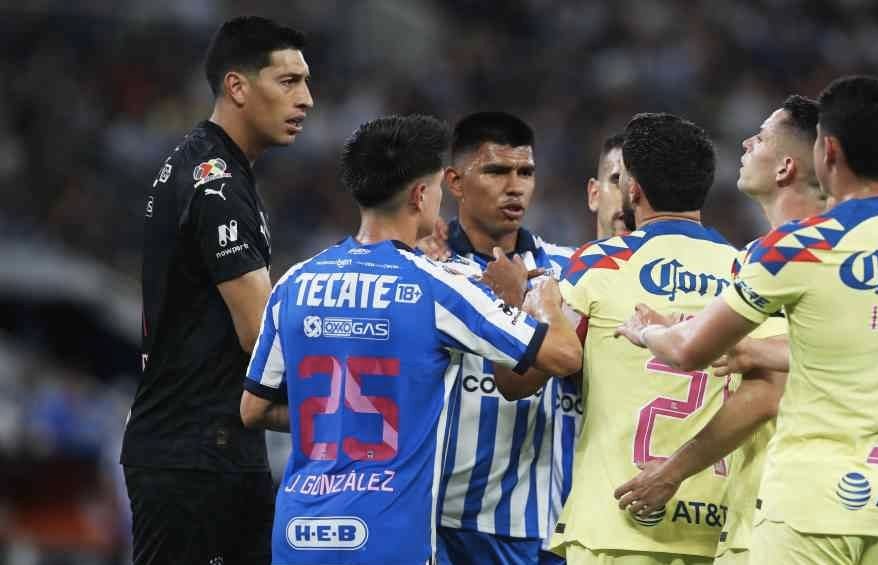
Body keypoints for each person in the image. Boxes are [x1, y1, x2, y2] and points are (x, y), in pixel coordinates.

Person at [615, 76, 878, 565]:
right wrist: (753, 349)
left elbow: (689, 351)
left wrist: (648, 331)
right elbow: (868, 340)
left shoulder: (799, 249)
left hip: (809, 504)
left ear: (828, 152)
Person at [240, 114, 582, 565]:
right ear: (423, 193)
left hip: (300, 531)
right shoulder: (433, 285)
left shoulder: (295, 281)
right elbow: (562, 354)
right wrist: (540, 300)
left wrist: (343, 421)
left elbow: (254, 409)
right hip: (388, 533)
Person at [121, 16, 312, 565]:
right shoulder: (218, 183)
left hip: (201, 447)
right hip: (197, 454)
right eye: (289, 82)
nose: (307, 99)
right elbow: (262, 338)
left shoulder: (207, 166)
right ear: (237, 87)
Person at [614, 96, 826, 565]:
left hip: (782, 520)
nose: (748, 142)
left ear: (786, 166)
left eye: (764, 136)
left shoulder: (780, 259)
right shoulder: (860, 260)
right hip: (844, 509)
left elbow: (767, 392)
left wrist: (671, 473)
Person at [549, 113, 735, 565]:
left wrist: (533, 308)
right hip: (717, 525)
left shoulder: (596, 264)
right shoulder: (742, 269)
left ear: (634, 190)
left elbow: (547, 362)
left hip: (615, 521)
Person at [434, 112, 579, 565]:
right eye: (497, 171)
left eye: (526, 173)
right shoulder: (425, 269)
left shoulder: (569, 269)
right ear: (455, 182)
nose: (514, 186)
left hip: (538, 522)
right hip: (440, 518)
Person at [586, 133, 631, 238]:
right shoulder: (555, 254)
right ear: (594, 194)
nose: (630, 194)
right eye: (618, 180)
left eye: (639, 184)